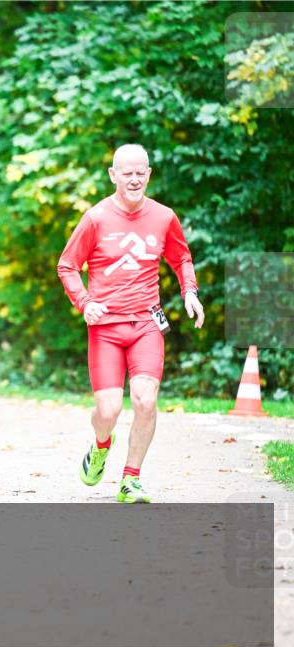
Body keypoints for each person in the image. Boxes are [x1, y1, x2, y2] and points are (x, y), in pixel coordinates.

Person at [57, 144, 204, 504]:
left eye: (141, 172)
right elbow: (67, 266)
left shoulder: (164, 217)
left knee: (145, 401)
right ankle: (101, 446)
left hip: (146, 325)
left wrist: (190, 292)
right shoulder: (95, 218)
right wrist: (85, 302)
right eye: (127, 172)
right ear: (113, 175)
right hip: (106, 328)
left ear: (149, 174)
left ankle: (131, 479)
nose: (134, 178)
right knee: (108, 411)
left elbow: (181, 257)